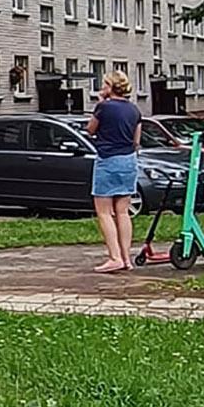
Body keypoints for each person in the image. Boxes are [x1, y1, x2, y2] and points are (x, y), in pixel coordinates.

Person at [87, 70, 141, 273]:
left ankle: (114, 257)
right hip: (129, 161)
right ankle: (127, 258)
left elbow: (91, 129)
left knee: (103, 212)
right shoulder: (134, 109)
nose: (102, 88)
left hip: (108, 160)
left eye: (104, 85)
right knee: (123, 211)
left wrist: (100, 103)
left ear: (111, 88)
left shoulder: (104, 107)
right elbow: (136, 140)